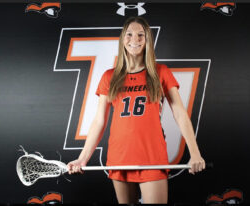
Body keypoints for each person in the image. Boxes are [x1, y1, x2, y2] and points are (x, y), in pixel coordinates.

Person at [67, 16, 205, 204]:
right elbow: (99, 121)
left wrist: (195, 152)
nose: (135, 40)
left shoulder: (160, 72)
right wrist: (82, 159)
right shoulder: (110, 76)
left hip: (152, 157)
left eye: (141, 35)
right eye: (129, 34)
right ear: (123, 39)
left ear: (147, 40)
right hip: (119, 157)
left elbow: (180, 114)